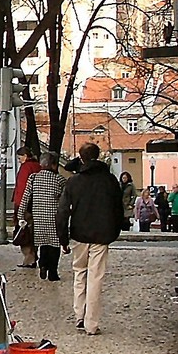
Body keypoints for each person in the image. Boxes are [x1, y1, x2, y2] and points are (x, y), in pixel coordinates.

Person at [56, 142, 123, 336]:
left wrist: (63, 238)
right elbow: (117, 209)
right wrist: (113, 232)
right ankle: (91, 323)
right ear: (99, 156)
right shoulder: (109, 180)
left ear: (81, 157)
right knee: (96, 277)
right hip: (102, 235)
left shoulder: (74, 182)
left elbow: (62, 212)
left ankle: (79, 313)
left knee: (80, 273)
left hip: (79, 234)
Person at [18, 151, 68, 281]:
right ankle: (53, 272)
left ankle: (43, 265)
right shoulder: (60, 180)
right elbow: (65, 199)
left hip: (38, 217)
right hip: (54, 217)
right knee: (54, 245)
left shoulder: (33, 178)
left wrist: (20, 216)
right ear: (54, 165)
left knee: (42, 244)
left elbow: (25, 198)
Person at [12, 147, 42, 268]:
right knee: (32, 231)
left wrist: (20, 206)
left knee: (24, 232)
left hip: (23, 204)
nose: (19, 161)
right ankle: (33, 256)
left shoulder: (26, 168)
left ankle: (29, 258)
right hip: (35, 203)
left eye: (20, 158)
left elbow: (23, 188)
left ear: (25, 156)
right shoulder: (38, 166)